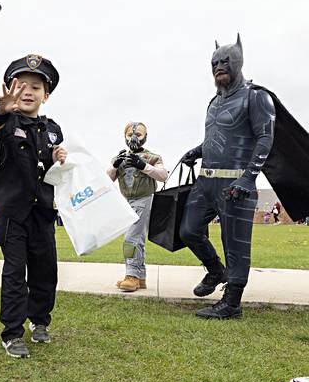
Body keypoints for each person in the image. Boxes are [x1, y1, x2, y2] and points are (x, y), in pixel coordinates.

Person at [0, 54, 67, 358]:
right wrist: (1, 110)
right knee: (15, 272)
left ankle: (40, 321)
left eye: (36, 87)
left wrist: (59, 158)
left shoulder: (53, 129)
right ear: (12, 89)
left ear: (47, 94)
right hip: (13, 211)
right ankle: (12, 333)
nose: (28, 91)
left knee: (45, 270)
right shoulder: (7, 121)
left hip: (43, 210)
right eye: (22, 86)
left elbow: (54, 165)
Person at [178, 35, 275, 319]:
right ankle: (215, 270)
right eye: (215, 63)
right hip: (206, 181)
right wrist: (196, 151)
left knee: (235, 243)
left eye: (225, 61)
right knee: (188, 230)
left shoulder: (256, 97)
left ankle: (232, 303)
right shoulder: (214, 101)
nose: (219, 66)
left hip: (235, 184)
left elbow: (265, 139)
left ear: (239, 61)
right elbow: (216, 137)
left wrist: (247, 178)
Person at [108, 122, 168, 292]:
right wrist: (114, 165)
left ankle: (132, 275)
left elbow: (163, 175)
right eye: (130, 135)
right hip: (126, 201)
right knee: (137, 239)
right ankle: (139, 277)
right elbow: (106, 179)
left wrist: (143, 166)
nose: (134, 138)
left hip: (143, 199)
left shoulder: (152, 157)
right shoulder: (120, 158)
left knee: (131, 239)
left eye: (139, 135)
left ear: (146, 136)